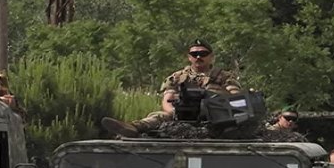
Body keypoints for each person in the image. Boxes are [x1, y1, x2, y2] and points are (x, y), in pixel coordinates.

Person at [101, 39, 241, 137]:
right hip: (182, 116)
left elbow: (236, 97)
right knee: (158, 116)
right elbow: (167, 100)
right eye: (194, 54)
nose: (198, 57)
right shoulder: (178, 77)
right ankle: (133, 127)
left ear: (211, 57)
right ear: (189, 57)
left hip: (216, 116)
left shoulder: (224, 77)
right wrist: (175, 113)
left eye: (203, 54)